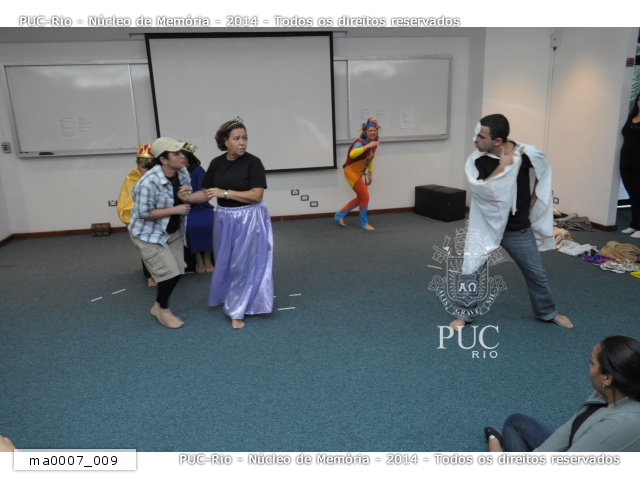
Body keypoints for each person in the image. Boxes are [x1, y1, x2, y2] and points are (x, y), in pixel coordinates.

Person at [450, 114, 572, 330]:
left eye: (481, 136)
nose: (476, 140)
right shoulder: (477, 160)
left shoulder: (525, 154)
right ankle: (464, 314)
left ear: (498, 141)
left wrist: (534, 200)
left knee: (536, 273)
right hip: (486, 227)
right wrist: (503, 166)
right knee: (470, 270)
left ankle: (547, 312)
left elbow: (543, 170)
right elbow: (481, 189)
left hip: (518, 229)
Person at [485, 335, 640, 452]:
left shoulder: (618, 426)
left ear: (607, 378)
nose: (589, 366)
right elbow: (570, 427)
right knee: (515, 423)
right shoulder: (613, 389)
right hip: (579, 445)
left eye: (592, 363)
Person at [128, 137, 214, 329]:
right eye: (176, 154)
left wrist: (186, 196)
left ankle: (158, 307)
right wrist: (175, 209)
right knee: (169, 274)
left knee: (177, 271)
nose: (183, 156)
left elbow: (186, 197)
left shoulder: (182, 172)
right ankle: (163, 310)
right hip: (149, 234)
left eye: (182, 152)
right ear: (163, 160)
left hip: (172, 230)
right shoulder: (147, 182)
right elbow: (143, 213)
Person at [201, 118, 274, 330]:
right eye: (237, 138)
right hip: (224, 218)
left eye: (245, 138)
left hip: (249, 218)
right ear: (225, 141)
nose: (242, 142)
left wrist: (224, 193)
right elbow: (206, 192)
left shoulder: (253, 162)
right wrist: (187, 197)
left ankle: (237, 309)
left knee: (243, 263)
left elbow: (257, 195)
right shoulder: (217, 163)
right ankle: (231, 296)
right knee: (225, 261)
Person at [117, 143, 156, 286]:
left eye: (150, 167)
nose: (147, 171)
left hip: (160, 217)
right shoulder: (132, 180)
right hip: (142, 220)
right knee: (146, 248)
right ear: (138, 165)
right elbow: (124, 205)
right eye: (143, 167)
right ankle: (150, 274)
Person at [334, 118, 380, 231]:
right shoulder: (360, 142)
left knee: (362, 197)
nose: (373, 132)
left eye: (374, 130)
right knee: (365, 197)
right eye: (370, 130)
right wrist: (368, 146)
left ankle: (339, 214)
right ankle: (364, 223)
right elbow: (352, 154)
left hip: (361, 172)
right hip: (350, 172)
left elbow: (370, 159)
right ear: (365, 132)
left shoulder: (373, 144)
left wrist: (370, 173)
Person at [181, 142, 215, 274]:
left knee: (209, 223)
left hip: (202, 206)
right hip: (186, 208)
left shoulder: (199, 170)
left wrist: (191, 196)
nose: (181, 160)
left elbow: (204, 191)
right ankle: (197, 257)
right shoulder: (174, 172)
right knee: (190, 225)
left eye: (184, 158)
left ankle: (207, 256)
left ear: (189, 160)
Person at [620, 92, 640, 238]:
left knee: (639, 195)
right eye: (639, 100)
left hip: (639, 163)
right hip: (625, 161)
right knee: (632, 195)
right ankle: (634, 224)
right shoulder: (630, 118)